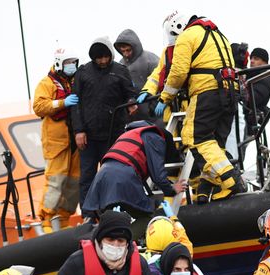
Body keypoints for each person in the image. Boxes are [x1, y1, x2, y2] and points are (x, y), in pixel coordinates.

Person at [154, 12, 247, 203]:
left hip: (207, 92)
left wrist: (164, 98)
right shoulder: (220, 36)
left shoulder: (187, 36)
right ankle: (209, 186)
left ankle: (231, 179)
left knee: (195, 137)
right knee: (215, 144)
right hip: (230, 92)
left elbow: (178, 73)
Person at [81, 120, 187, 237]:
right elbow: (158, 177)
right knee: (150, 216)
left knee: (110, 222)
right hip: (123, 178)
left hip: (101, 178)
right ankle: (125, 241)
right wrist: (171, 189)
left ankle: (105, 245)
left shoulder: (126, 135)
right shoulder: (154, 136)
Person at [71, 37, 138, 219]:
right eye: (98, 58)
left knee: (113, 175)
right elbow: (75, 105)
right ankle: (87, 214)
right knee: (87, 177)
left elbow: (131, 93)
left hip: (113, 135)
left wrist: (132, 103)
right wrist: (79, 130)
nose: (102, 61)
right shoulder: (83, 73)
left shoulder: (120, 71)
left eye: (105, 57)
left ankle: (113, 213)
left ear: (111, 55)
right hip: (89, 137)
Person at [33, 47, 81, 232]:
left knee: (74, 182)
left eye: (73, 62)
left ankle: (63, 220)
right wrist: (61, 103)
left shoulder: (75, 81)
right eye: (68, 63)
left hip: (74, 142)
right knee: (56, 181)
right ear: (60, 63)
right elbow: (38, 106)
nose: (72, 66)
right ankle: (46, 221)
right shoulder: (47, 83)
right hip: (57, 143)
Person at [137, 10, 182, 125]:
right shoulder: (167, 52)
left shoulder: (189, 47)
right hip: (172, 105)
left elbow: (179, 74)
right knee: (173, 141)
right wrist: (148, 90)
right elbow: (158, 74)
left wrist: (164, 99)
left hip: (188, 104)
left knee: (192, 139)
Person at [114, 29, 159, 123]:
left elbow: (161, 82)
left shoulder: (151, 60)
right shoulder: (120, 65)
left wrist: (153, 107)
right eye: (123, 51)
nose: (126, 54)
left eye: (128, 50)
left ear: (135, 47)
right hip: (133, 117)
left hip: (155, 115)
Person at [243, 47, 270, 137]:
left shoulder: (266, 78)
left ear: (265, 63)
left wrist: (239, 90)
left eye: (256, 59)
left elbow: (253, 98)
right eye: (251, 58)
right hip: (245, 121)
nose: (252, 61)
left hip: (246, 124)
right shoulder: (251, 77)